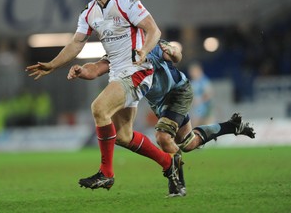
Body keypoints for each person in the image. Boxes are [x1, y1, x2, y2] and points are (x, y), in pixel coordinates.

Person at [26, 0, 178, 195]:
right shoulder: (89, 12)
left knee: (99, 108)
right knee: (124, 137)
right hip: (117, 74)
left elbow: (154, 30)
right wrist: (53, 65)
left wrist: (144, 50)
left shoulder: (128, 4)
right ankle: (170, 164)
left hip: (138, 71)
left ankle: (106, 174)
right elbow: (76, 44)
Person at [67, 39, 256, 197]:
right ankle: (231, 126)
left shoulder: (149, 44)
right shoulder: (118, 53)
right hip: (159, 102)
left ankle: (177, 184)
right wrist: (82, 71)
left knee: (163, 137)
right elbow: (97, 69)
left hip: (177, 92)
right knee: (187, 142)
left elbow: (176, 56)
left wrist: (173, 52)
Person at [188, 61, 214, 127]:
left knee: (205, 127)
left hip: (205, 109)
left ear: (199, 70)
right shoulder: (192, 82)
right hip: (195, 110)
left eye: (193, 71)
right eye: (191, 71)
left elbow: (209, 94)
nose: (192, 73)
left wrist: (199, 100)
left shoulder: (204, 81)